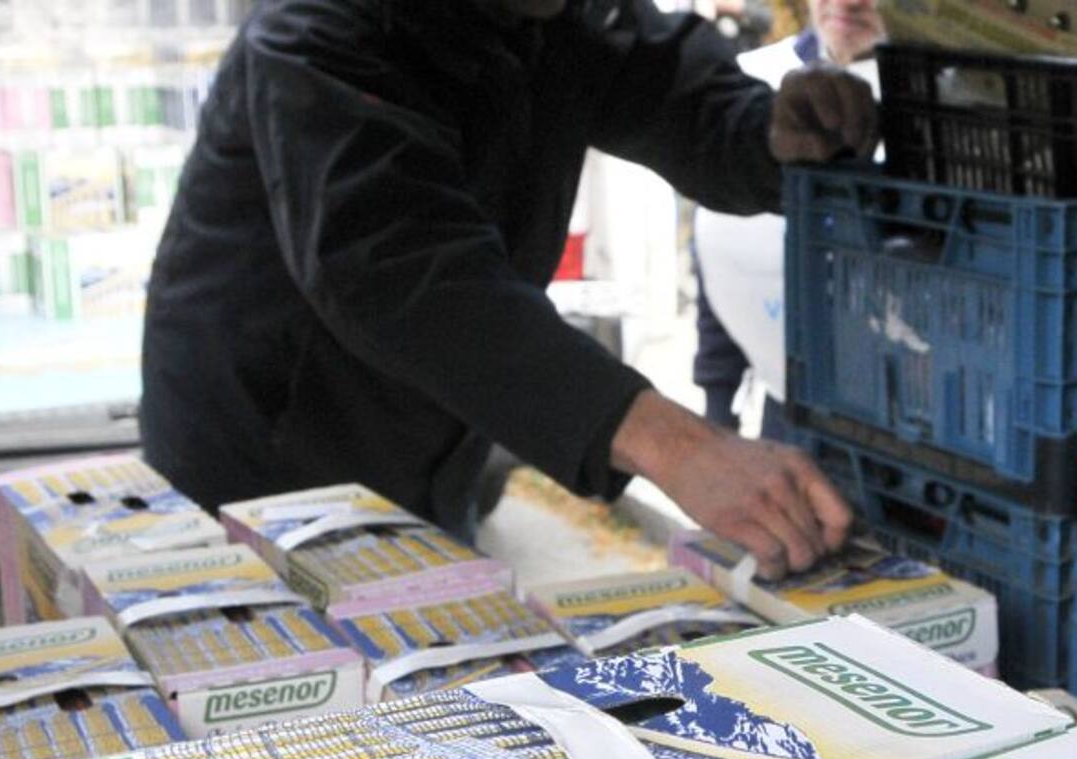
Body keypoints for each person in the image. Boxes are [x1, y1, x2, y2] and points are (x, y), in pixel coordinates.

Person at [140, 0, 876, 580]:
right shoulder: (325, 30)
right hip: (267, 457)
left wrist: (774, 134)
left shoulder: (564, 17)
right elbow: (404, 273)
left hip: (433, 435)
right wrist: (676, 445)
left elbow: (684, 98)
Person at [692, 0, 885, 437]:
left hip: (906, 433)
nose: (848, 2)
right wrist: (718, 402)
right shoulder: (749, 86)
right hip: (787, 414)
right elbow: (720, 255)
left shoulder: (944, 107)